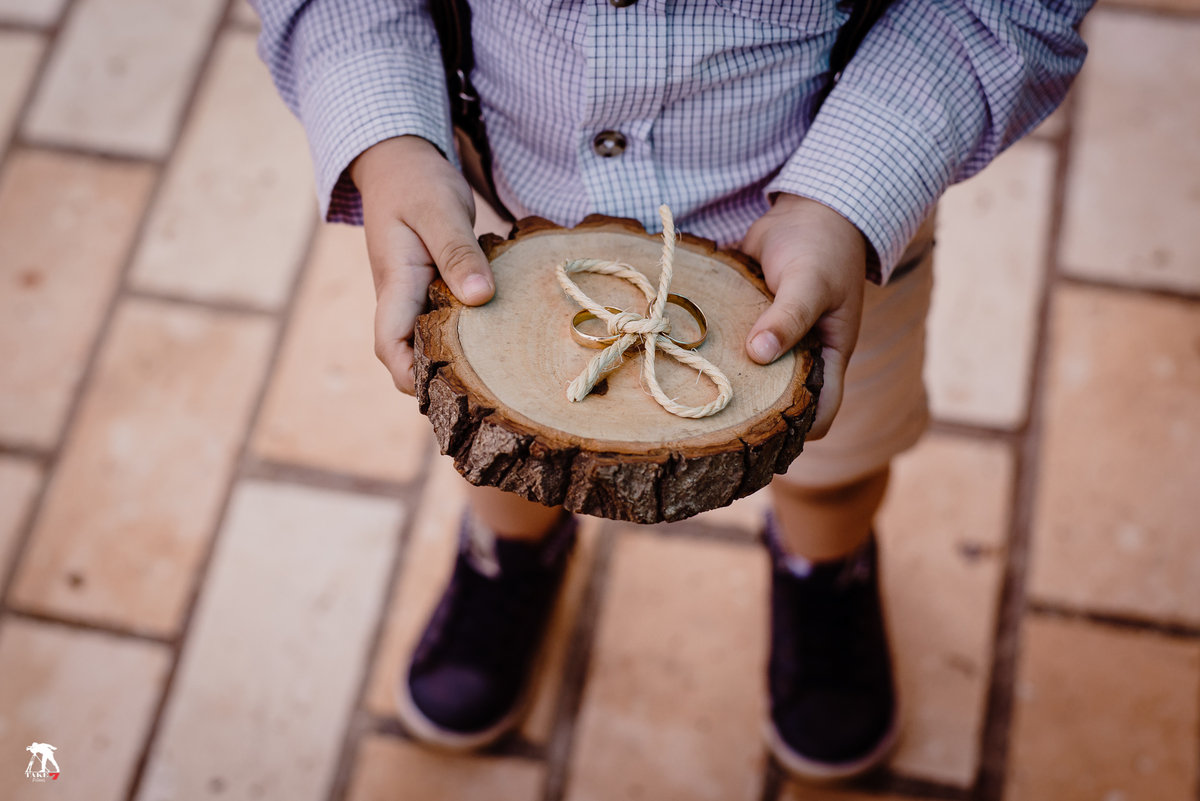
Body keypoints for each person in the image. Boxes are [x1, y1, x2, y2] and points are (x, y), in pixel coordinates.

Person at [252, 0, 1090, 779]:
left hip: (830, 248)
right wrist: (389, 134)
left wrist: (851, 193)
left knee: (839, 458)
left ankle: (825, 567)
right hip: (511, 222)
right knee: (504, 446)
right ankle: (510, 555)